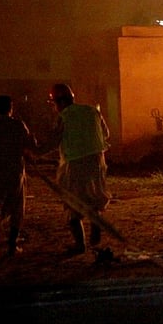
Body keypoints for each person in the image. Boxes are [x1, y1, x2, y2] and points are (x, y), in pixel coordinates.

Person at [44, 84, 111, 255]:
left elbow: (53, 142)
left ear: (59, 102)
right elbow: (106, 134)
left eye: (54, 103)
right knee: (94, 197)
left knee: (71, 203)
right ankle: (95, 222)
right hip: (97, 161)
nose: (54, 107)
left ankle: (79, 245)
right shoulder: (92, 111)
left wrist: (34, 152)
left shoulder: (63, 117)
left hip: (73, 164)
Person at [0, 95, 38, 262]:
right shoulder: (17, 125)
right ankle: (12, 245)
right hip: (14, 171)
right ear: (10, 107)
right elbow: (30, 145)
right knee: (17, 207)